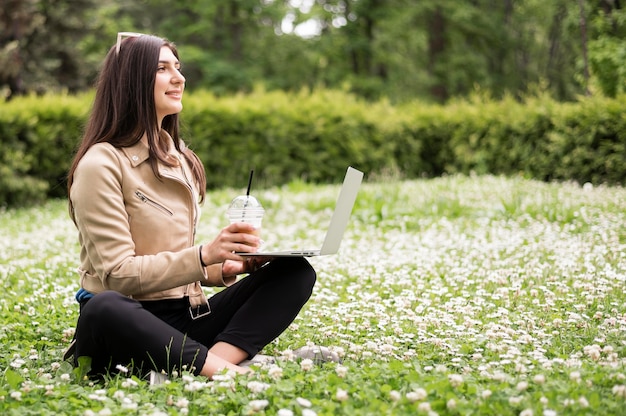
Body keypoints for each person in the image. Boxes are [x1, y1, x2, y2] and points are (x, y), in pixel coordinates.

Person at [65, 32, 316, 380]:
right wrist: (204, 256)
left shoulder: (178, 158)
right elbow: (119, 275)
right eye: (162, 69)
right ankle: (227, 372)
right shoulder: (101, 164)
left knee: (295, 271)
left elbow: (171, 260)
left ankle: (212, 364)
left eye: (178, 68)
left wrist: (226, 268)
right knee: (104, 306)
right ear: (131, 81)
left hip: (182, 320)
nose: (179, 78)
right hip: (125, 327)